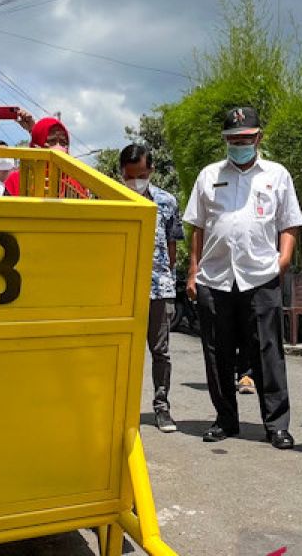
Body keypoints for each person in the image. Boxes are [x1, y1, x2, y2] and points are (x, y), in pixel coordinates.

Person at [184, 106, 302, 449]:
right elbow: (198, 226)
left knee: (268, 351)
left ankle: (276, 424)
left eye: (246, 139)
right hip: (216, 277)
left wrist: (283, 259)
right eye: (233, 139)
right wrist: (194, 272)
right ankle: (225, 419)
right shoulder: (209, 175)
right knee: (217, 352)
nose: (239, 144)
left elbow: (289, 222)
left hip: (260, 275)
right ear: (225, 141)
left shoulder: (277, 174)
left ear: (258, 138)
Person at [120, 144, 185, 434]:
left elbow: (173, 247)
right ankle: (119, 408)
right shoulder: (112, 198)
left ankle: (162, 406)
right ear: (122, 172)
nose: (136, 180)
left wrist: (166, 277)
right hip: (121, 289)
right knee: (122, 352)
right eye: (130, 175)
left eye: (142, 174)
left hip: (158, 288)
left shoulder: (167, 202)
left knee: (160, 351)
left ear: (151, 171)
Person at [2, 116, 88, 198]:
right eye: (52, 141)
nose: (58, 148)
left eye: (63, 142)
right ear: (36, 146)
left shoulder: (75, 183)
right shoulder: (16, 181)